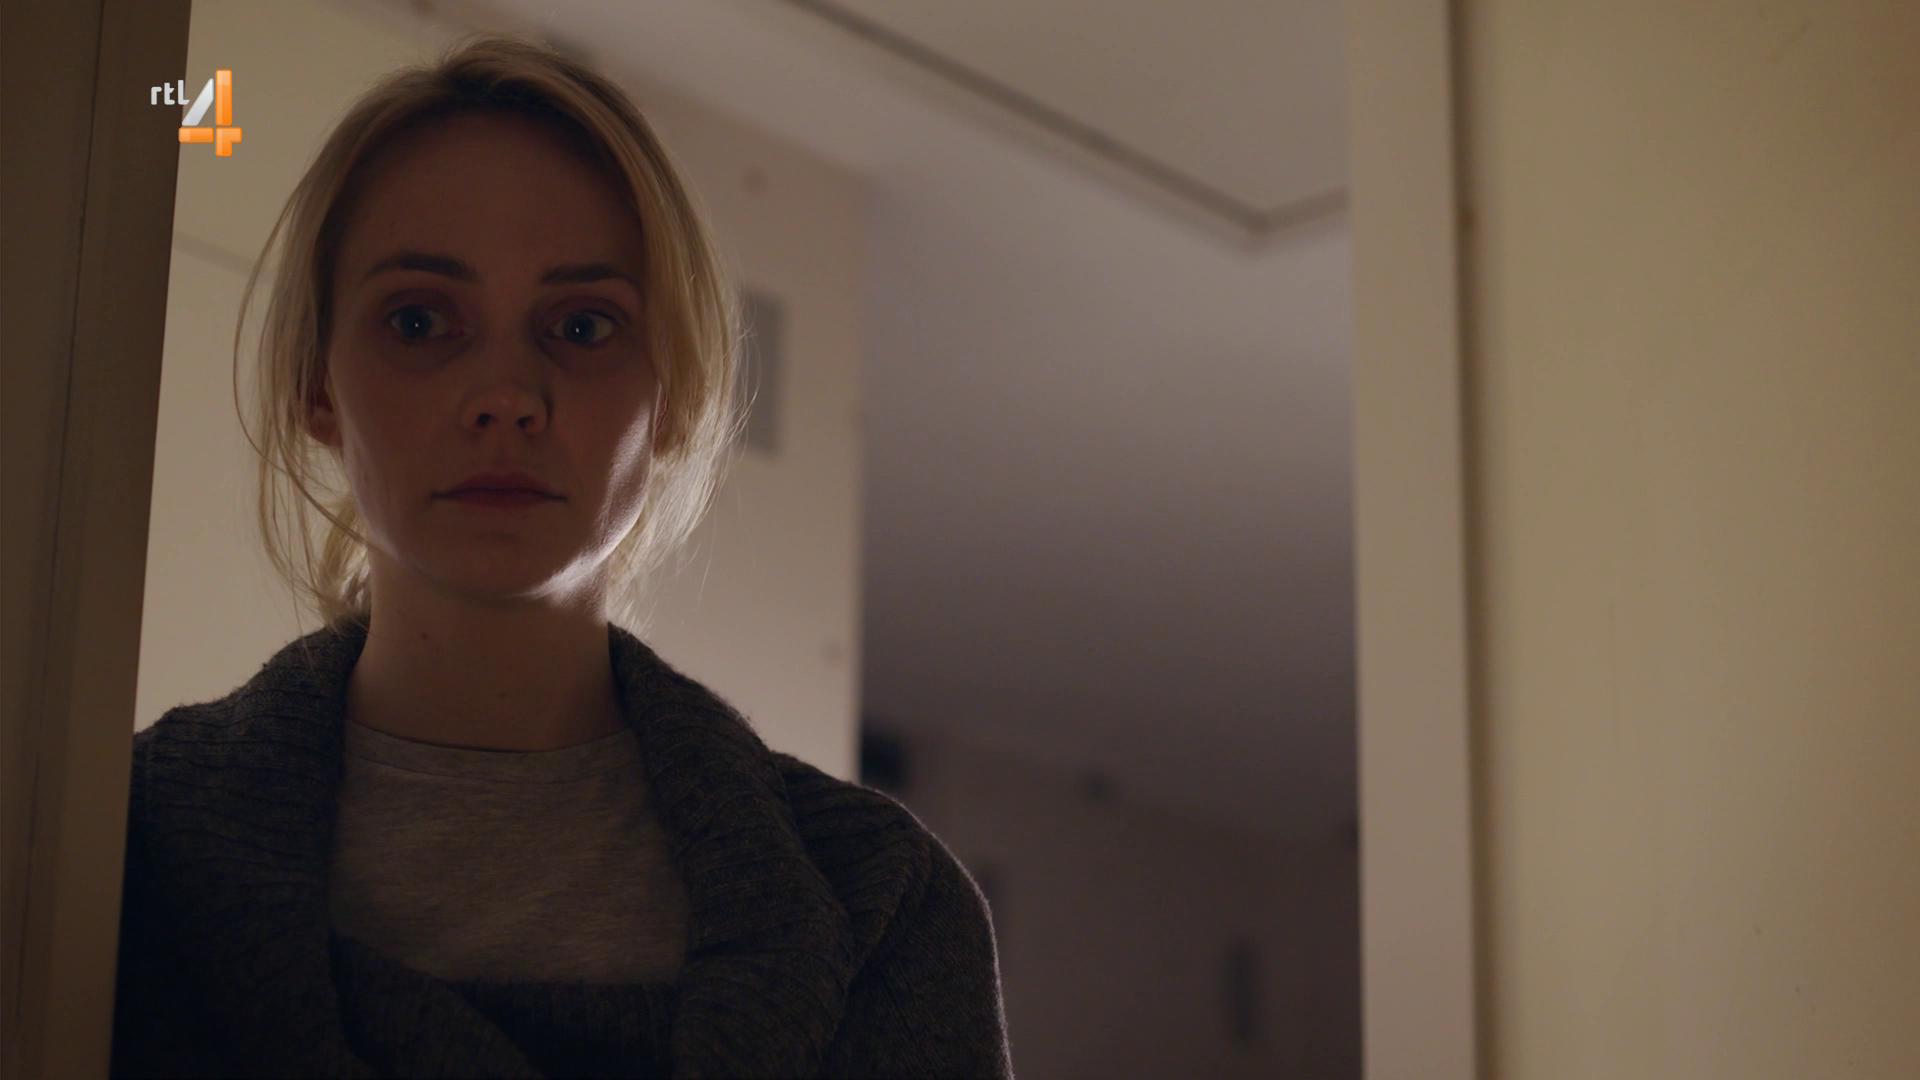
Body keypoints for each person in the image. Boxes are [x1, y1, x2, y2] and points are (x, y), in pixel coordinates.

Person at [110, 32, 1013, 1078]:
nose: (506, 396)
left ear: (672, 396)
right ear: (319, 385)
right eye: (419, 320)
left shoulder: (883, 906)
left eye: (582, 327)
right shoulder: (119, 845)